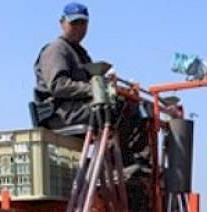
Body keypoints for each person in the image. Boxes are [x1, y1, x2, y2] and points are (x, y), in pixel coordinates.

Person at [32, 3, 150, 166]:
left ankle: (128, 162)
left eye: (83, 23)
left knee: (135, 106)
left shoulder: (80, 53)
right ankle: (116, 163)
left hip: (77, 109)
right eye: (74, 23)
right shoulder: (56, 50)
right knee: (122, 109)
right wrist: (95, 89)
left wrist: (111, 85)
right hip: (62, 113)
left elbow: (94, 80)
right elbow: (58, 85)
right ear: (62, 23)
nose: (79, 28)